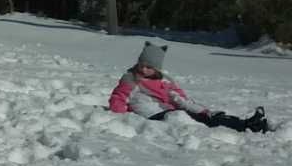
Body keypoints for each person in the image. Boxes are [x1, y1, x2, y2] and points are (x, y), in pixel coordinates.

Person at [108, 42, 268, 132]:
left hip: (170, 111)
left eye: (149, 67)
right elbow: (118, 97)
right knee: (195, 120)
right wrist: (123, 117)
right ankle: (242, 126)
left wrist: (202, 110)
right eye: (142, 65)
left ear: (157, 68)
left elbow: (180, 97)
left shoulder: (164, 80)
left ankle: (246, 124)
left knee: (206, 116)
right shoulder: (131, 78)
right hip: (154, 115)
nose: (144, 69)